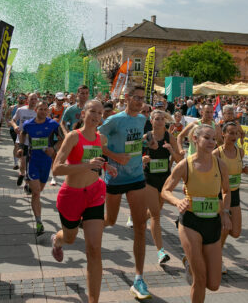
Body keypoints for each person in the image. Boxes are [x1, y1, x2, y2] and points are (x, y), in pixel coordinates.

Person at [50, 100, 117, 303]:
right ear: (83, 114)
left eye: (100, 112)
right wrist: (85, 165)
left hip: (95, 194)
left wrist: (106, 166)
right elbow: (57, 169)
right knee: (70, 238)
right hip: (72, 195)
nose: (97, 115)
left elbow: (96, 158)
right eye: (92, 111)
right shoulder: (73, 137)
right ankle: (57, 241)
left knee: (94, 249)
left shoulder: (101, 138)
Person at [162, 124, 232, 303]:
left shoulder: (220, 164)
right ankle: (193, 266)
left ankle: (190, 264)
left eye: (214, 139)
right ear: (195, 139)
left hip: (213, 223)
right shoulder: (185, 165)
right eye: (207, 138)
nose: (211, 142)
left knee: (214, 284)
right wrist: (178, 201)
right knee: (200, 280)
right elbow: (165, 191)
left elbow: (226, 191)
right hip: (190, 223)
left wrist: (225, 212)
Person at [98, 85, 152, 300]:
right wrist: (114, 156)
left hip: (137, 176)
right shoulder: (114, 120)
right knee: (110, 221)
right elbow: (96, 140)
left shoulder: (141, 119)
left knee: (140, 226)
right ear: (127, 98)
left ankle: (139, 278)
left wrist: (147, 143)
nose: (139, 102)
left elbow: (136, 141)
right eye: (136, 98)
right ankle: (92, 224)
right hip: (116, 177)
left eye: (142, 98)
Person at [142, 110, 182, 265]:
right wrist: (142, 159)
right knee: (156, 216)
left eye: (161, 119)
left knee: (155, 210)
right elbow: (134, 155)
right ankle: (160, 252)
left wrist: (171, 150)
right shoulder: (146, 137)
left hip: (165, 180)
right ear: (151, 121)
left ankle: (139, 220)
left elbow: (179, 159)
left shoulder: (169, 137)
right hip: (149, 179)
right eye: (156, 119)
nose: (159, 122)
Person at [212, 122, 248, 273]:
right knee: (225, 227)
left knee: (235, 232)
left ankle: (213, 248)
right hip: (220, 194)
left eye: (236, 133)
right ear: (223, 134)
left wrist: (244, 170)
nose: (234, 136)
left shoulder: (240, 152)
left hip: (235, 193)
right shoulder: (217, 154)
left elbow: (237, 170)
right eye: (231, 133)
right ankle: (217, 256)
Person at [17, 102, 60, 236]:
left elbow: (62, 139)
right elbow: (22, 135)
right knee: (36, 193)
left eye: (45, 109)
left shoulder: (53, 124)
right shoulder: (28, 124)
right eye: (40, 109)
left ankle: (28, 181)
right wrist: (21, 148)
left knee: (40, 189)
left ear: (48, 110)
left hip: (46, 162)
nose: (43, 111)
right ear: (36, 110)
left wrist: (54, 149)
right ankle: (39, 222)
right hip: (33, 160)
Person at [11, 93, 38, 186]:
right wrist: (15, 126)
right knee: (22, 163)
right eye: (31, 99)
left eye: (35, 99)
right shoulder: (21, 110)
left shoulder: (39, 111)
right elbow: (13, 120)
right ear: (28, 100)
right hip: (22, 139)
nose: (33, 101)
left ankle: (27, 183)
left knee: (31, 164)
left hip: (34, 141)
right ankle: (22, 173)